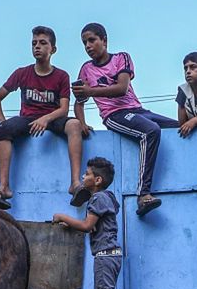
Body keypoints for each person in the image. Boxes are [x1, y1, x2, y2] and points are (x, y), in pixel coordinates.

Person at [73, 23, 180, 218]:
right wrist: (81, 122)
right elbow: (79, 103)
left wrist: (91, 91)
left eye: (91, 40)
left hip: (137, 110)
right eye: (84, 43)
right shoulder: (86, 70)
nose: (88, 46)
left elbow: (122, 88)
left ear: (104, 40)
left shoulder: (122, 58)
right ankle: (143, 194)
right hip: (114, 115)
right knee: (151, 131)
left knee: (179, 127)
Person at [0, 26, 84, 211]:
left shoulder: (61, 76)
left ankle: (75, 184)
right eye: (34, 43)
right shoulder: (21, 73)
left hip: (53, 118)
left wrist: (46, 119)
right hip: (28, 119)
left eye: (42, 43)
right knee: (4, 129)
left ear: (53, 49)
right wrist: (2, 121)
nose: (37, 47)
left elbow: (64, 109)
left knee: (74, 124)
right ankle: (3, 188)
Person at [51, 157, 123, 289]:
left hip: (105, 256)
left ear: (98, 180)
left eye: (88, 174)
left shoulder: (99, 198)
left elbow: (87, 226)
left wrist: (62, 217)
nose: (83, 176)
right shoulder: (107, 198)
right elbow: (91, 226)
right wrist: (72, 224)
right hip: (111, 256)